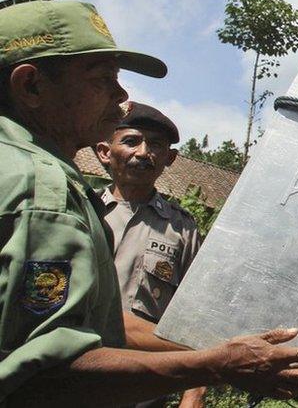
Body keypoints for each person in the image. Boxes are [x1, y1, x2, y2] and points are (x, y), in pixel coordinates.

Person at [0, 0, 298, 406]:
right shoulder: (42, 190)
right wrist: (218, 364)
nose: (121, 93)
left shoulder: (17, 168)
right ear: (30, 86)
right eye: (102, 78)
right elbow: (45, 377)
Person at [95, 101, 205, 407]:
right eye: (131, 141)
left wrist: (194, 394)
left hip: (143, 388)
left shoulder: (182, 229)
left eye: (155, 145)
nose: (143, 152)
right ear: (105, 151)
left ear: (169, 158)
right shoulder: (81, 211)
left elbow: (195, 315)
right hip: (70, 378)